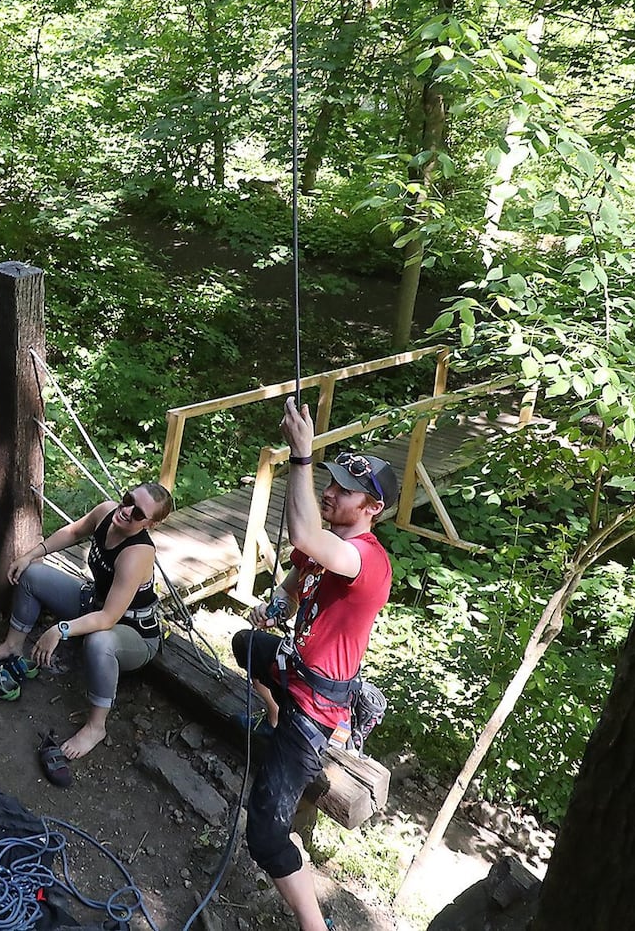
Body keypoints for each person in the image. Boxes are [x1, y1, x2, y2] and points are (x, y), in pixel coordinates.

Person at [231, 397, 395, 931]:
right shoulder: (330, 546)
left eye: (344, 490)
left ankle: (313, 926)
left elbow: (304, 538)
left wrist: (301, 456)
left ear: (372, 507)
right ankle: (272, 717)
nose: (329, 491)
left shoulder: (366, 560)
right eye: (329, 481)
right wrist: (276, 606)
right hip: (292, 672)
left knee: (266, 834)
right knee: (243, 643)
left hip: (316, 707)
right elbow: (296, 576)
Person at [0, 482, 174, 761]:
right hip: (94, 603)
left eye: (138, 513)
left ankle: (96, 726)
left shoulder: (137, 553)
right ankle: (12, 646)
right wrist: (31, 554)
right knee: (33, 575)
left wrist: (60, 629)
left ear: (150, 524)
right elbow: (74, 531)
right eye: (127, 500)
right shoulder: (106, 512)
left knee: (100, 640)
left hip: (133, 632)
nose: (126, 511)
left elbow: (108, 618)